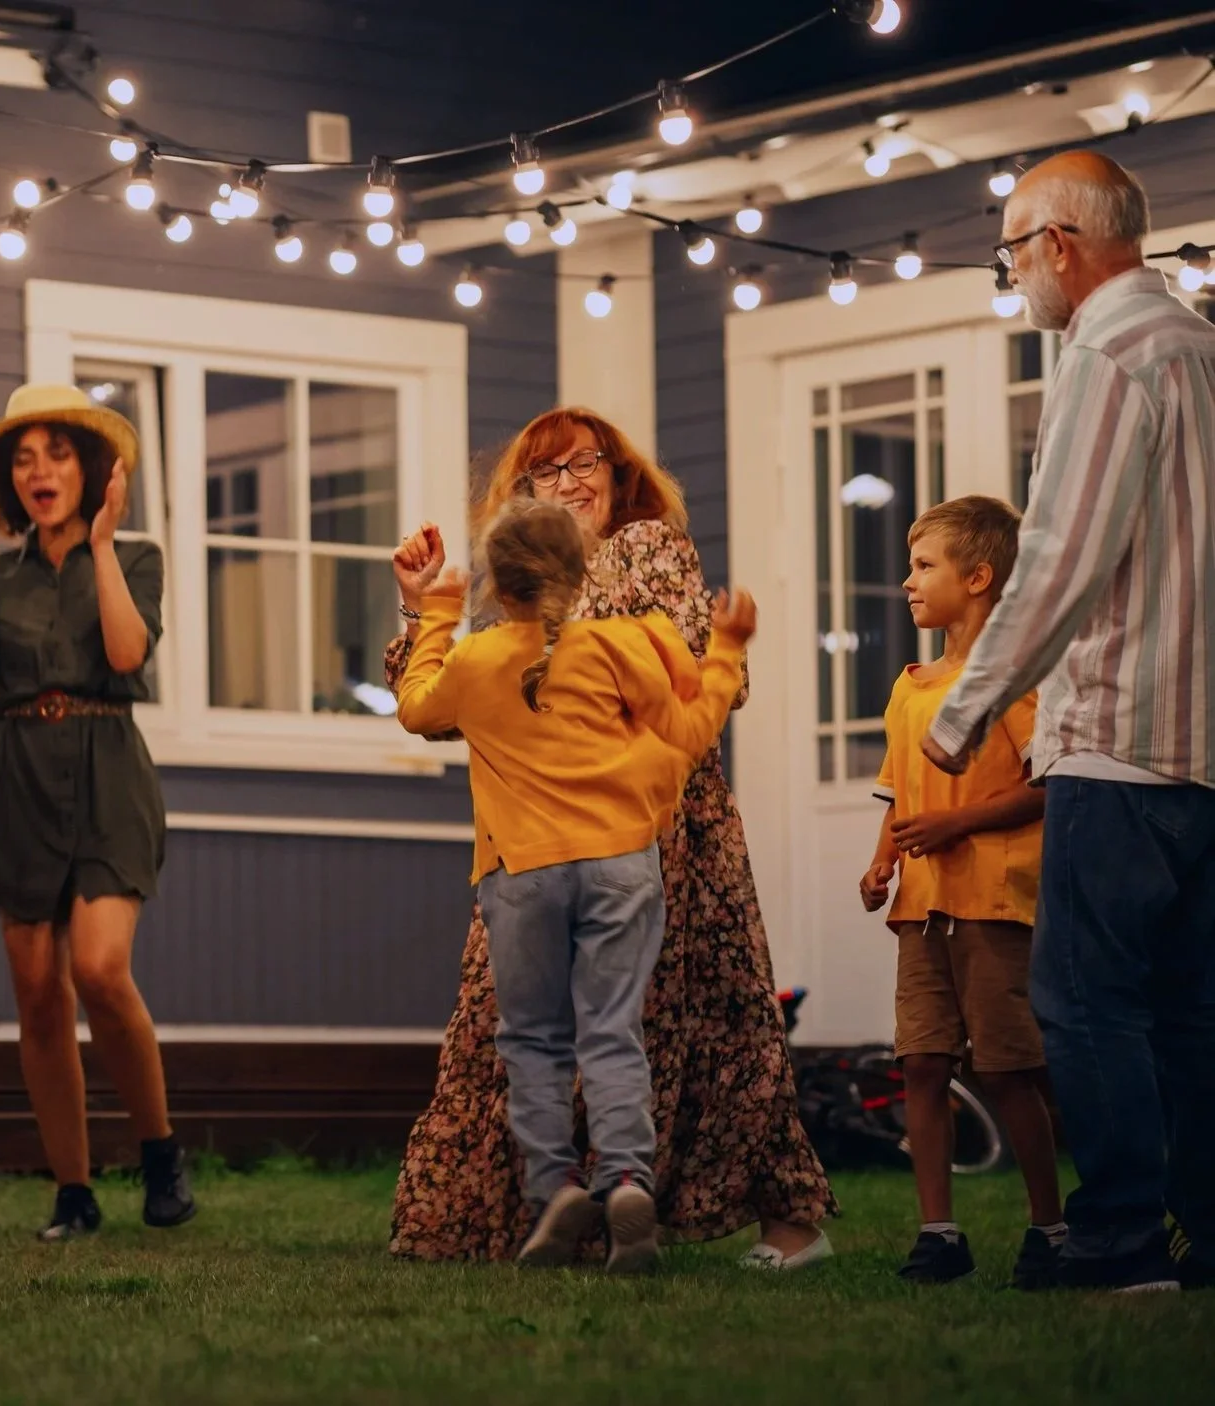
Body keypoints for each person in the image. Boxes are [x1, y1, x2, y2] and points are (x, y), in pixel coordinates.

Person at [386, 407, 835, 1268]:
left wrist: (452, 623)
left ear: (619, 470)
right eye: (545, 475)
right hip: (576, 839)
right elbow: (453, 711)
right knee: (559, 1032)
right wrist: (421, 611)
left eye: (584, 463)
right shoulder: (521, 601)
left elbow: (443, 701)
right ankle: (570, 1203)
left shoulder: (646, 548)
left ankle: (730, 1215)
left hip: (664, 831)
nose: (570, 484)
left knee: (695, 1027)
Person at [927, 150, 1215, 1294]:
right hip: (1206, 748)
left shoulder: (1104, 350)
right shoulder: (1202, 345)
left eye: (1011, 251)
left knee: (1081, 1000)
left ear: (1058, 243)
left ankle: (1118, 1239)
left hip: (1119, 737)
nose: (1014, 276)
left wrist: (963, 708)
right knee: (1193, 1010)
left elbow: (1054, 559)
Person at [0, 384, 193, 1240]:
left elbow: (127, 652)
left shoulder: (137, 556)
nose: (39, 471)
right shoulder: (1, 570)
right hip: (18, 771)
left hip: (107, 769)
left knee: (98, 968)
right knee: (38, 993)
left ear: (91, 471)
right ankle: (74, 1191)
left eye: (56, 454)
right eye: (23, 459)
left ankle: (160, 1151)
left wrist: (100, 548)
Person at [858, 496, 1062, 1289]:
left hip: (994, 903)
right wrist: (884, 864)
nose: (908, 581)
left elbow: (1049, 784)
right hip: (921, 913)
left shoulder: (1012, 681)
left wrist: (957, 827)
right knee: (921, 1063)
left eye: (924, 566)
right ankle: (938, 1233)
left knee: (1009, 1069)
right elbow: (899, 799)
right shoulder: (909, 689)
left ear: (978, 578)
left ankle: (1051, 1226)